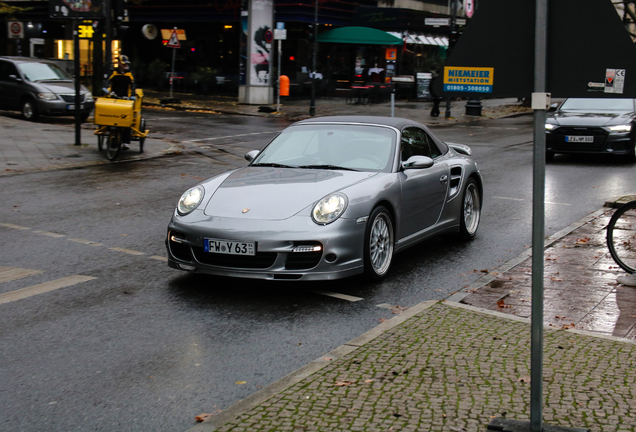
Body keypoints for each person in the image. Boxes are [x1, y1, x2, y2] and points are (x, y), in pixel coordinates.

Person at [107, 55, 135, 149]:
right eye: (123, 63)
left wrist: (131, 96)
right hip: (115, 98)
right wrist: (109, 93)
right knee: (111, 116)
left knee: (127, 120)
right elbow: (108, 83)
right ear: (118, 63)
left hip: (125, 99)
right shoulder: (114, 73)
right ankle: (110, 134)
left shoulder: (129, 74)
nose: (125, 65)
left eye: (126, 63)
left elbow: (132, 86)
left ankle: (126, 142)